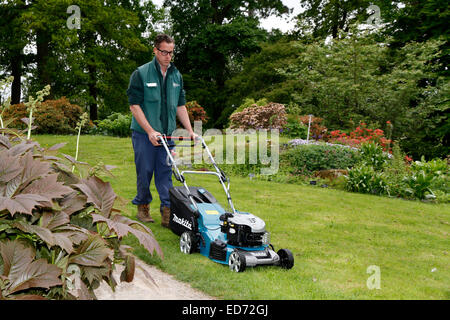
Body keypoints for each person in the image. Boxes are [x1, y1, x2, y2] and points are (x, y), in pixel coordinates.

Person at [127, 34, 195, 226]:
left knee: (166, 173)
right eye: (164, 52)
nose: (167, 56)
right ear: (155, 50)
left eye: (171, 52)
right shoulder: (141, 73)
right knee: (145, 171)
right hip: (144, 134)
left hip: (167, 135)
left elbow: (180, 105)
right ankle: (143, 206)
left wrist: (189, 130)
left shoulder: (176, 75)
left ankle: (168, 211)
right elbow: (134, 106)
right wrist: (149, 131)